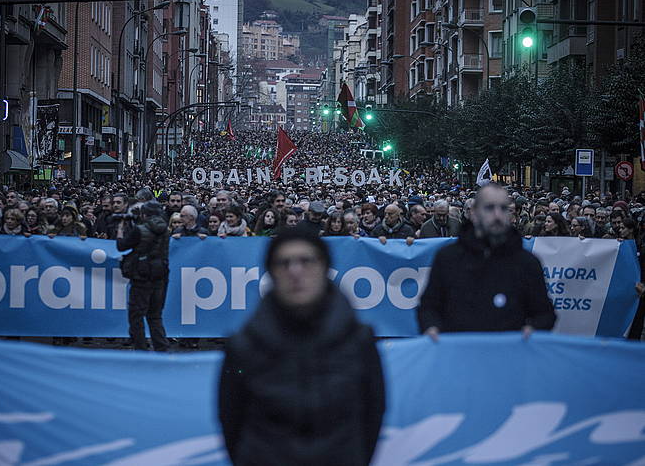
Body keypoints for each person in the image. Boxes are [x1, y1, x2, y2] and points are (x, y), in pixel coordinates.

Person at [219, 226, 385, 466]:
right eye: (284, 263)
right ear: (272, 272)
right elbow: (232, 420)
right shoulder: (242, 345)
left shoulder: (359, 340)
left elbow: (372, 413)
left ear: (324, 267)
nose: (295, 271)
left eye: (306, 261)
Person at [418, 183, 556, 338]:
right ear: (475, 213)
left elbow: (545, 314)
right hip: (459, 355)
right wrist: (431, 328)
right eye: (490, 208)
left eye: (503, 208)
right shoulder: (448, 258)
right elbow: (428, 307)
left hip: (507, 355)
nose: (497, 215)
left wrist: (533, 329)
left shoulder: (527, 263)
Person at [116, 200, 171, 351]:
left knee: (136, 314)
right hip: (161, 274)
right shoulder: (165, 229)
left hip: (141, 275)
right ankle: (161, 347)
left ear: (144, 214)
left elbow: (121, 246)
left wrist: (120, 230)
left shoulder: (140, 230)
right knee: (155, 315)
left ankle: (141, 347)